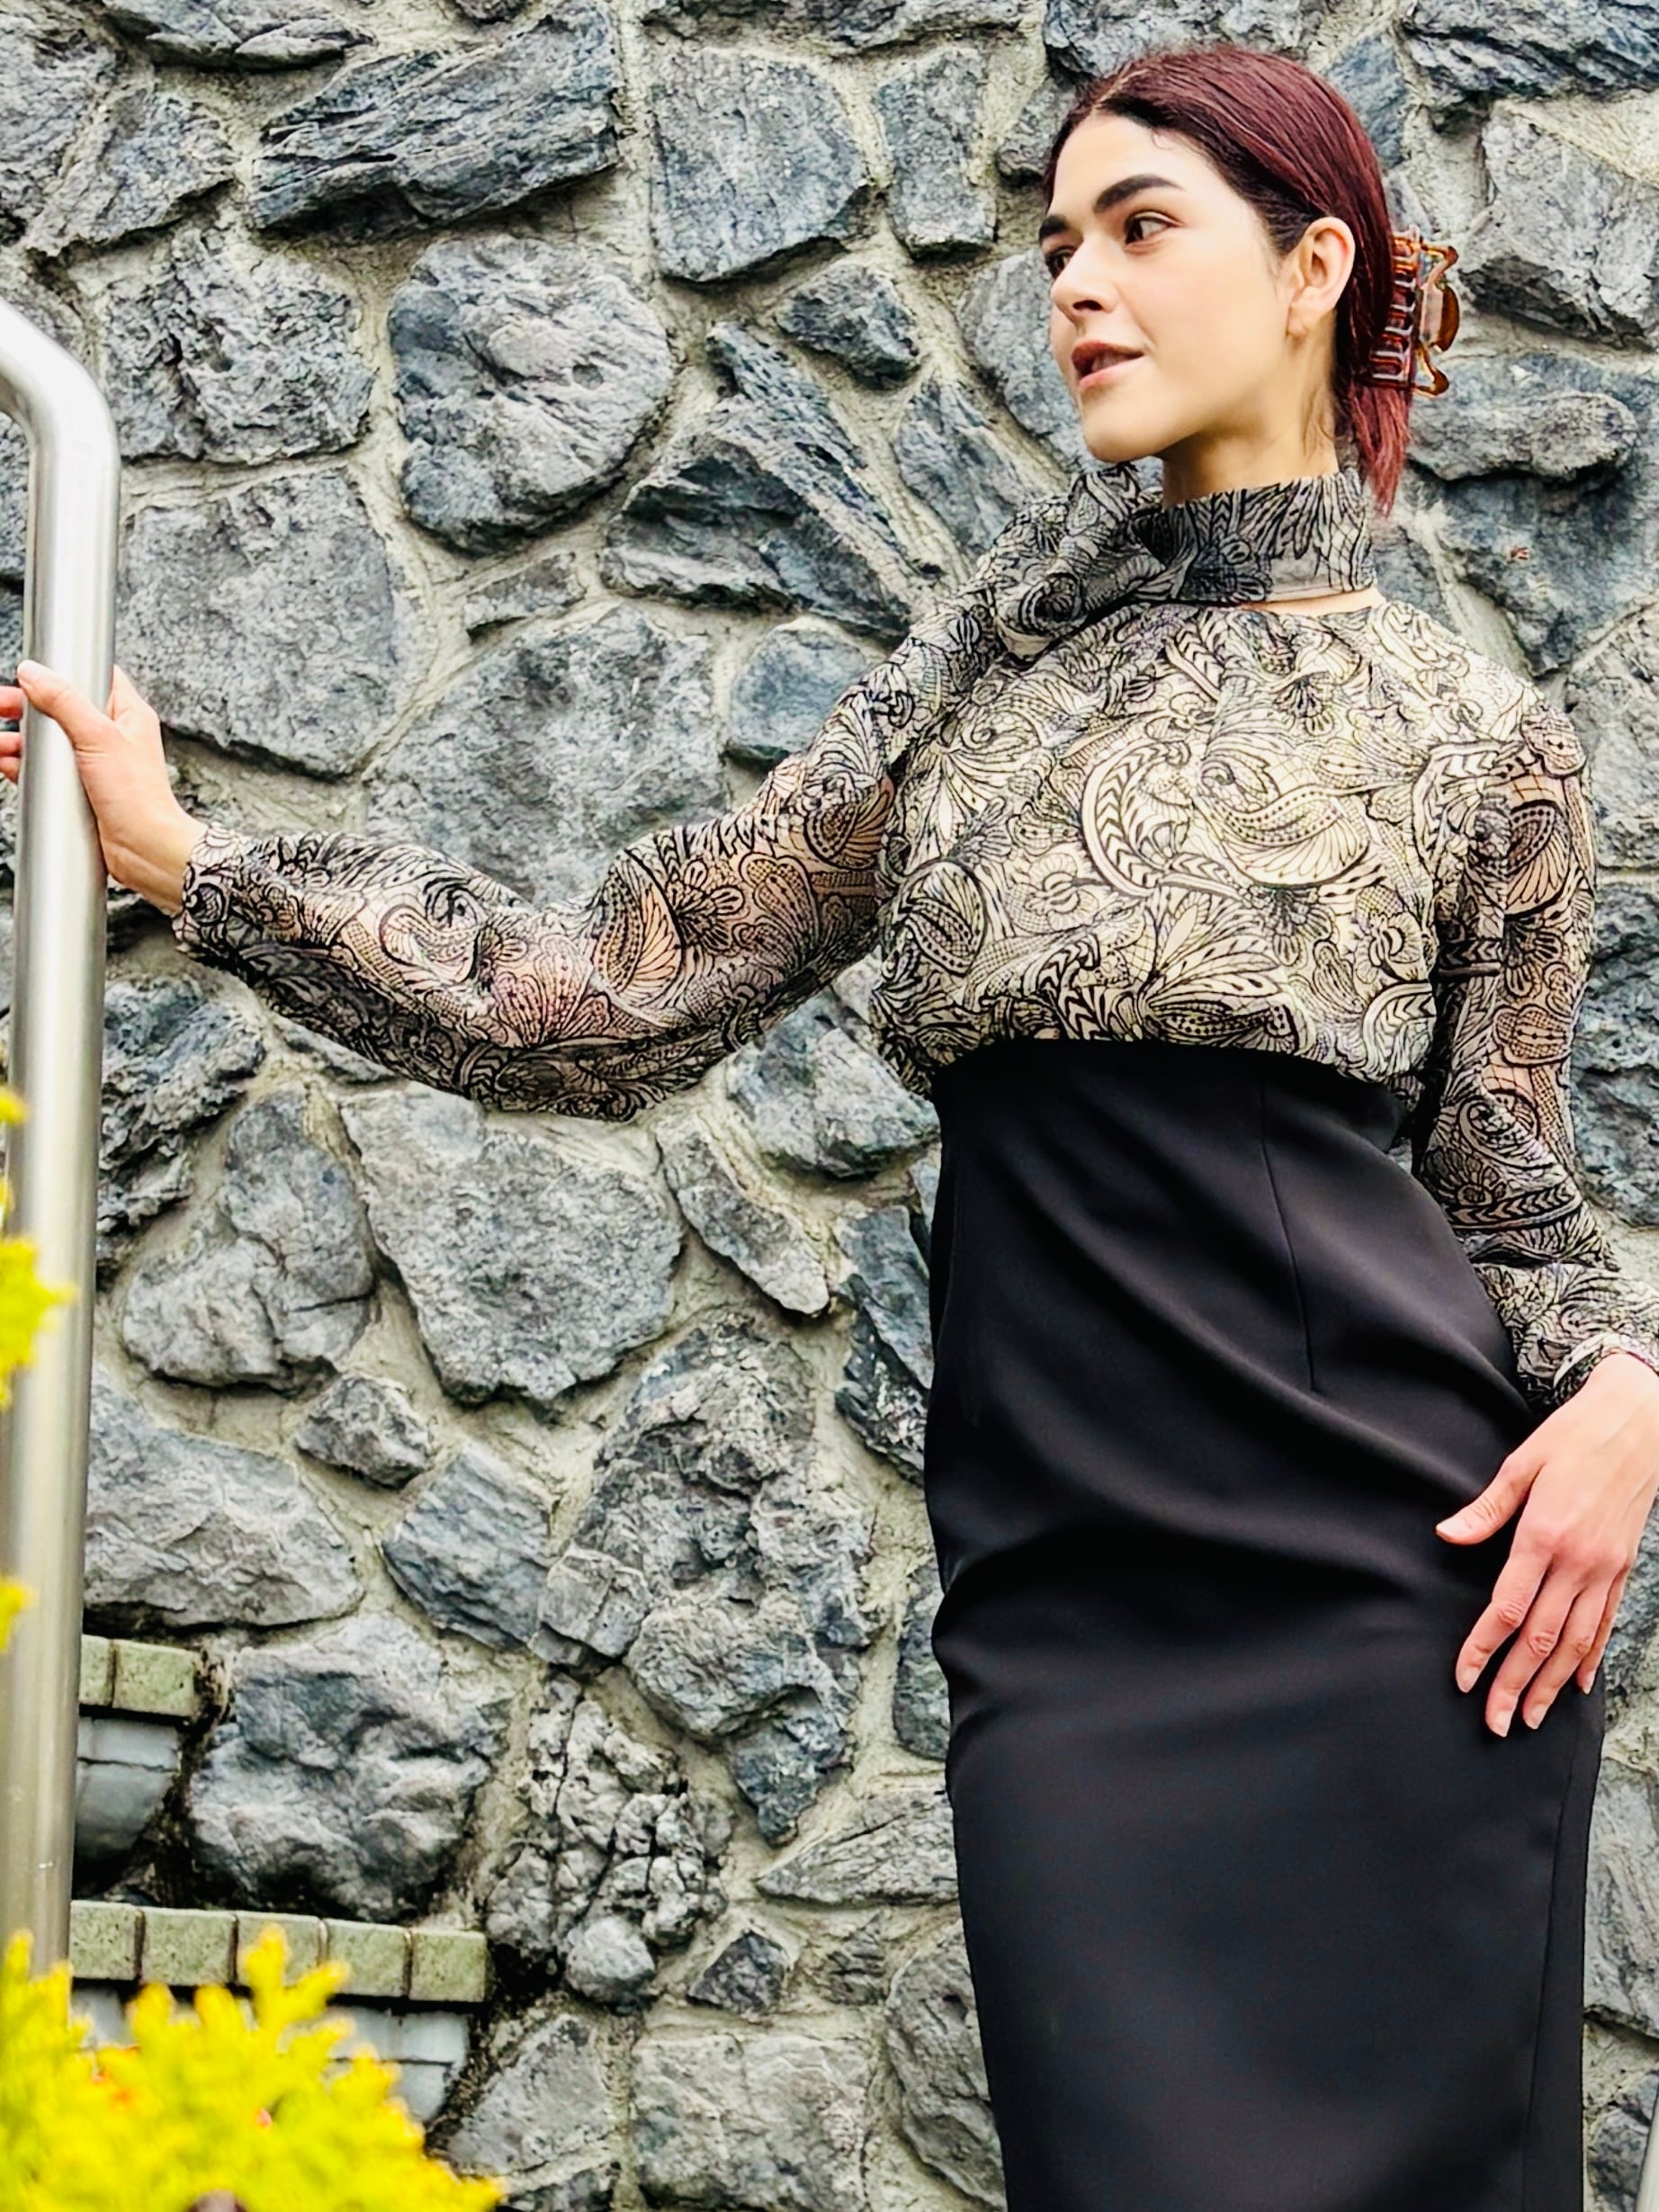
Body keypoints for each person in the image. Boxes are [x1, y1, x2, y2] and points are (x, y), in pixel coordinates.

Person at [7, 37, 1659, 2212]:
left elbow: (1509, 1190)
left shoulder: (1480, 737)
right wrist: (190, 863)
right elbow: (608, 992)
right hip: (1070, 1625)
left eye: (1140, 227)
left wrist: (1626, 1393)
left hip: (1390, 1606)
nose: (1075, 285)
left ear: (1310, 270)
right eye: (1054, 244)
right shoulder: (976, 683)